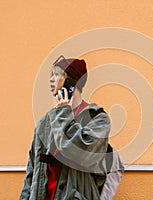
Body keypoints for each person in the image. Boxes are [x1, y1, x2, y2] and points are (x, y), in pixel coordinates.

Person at [20, 56, 124, 200]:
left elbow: (79, 153)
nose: (51, 80)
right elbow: (31, 171)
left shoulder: (98, 119)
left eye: (56, 75)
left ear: (71, 81)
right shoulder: (45, 122)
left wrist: (63, 113)